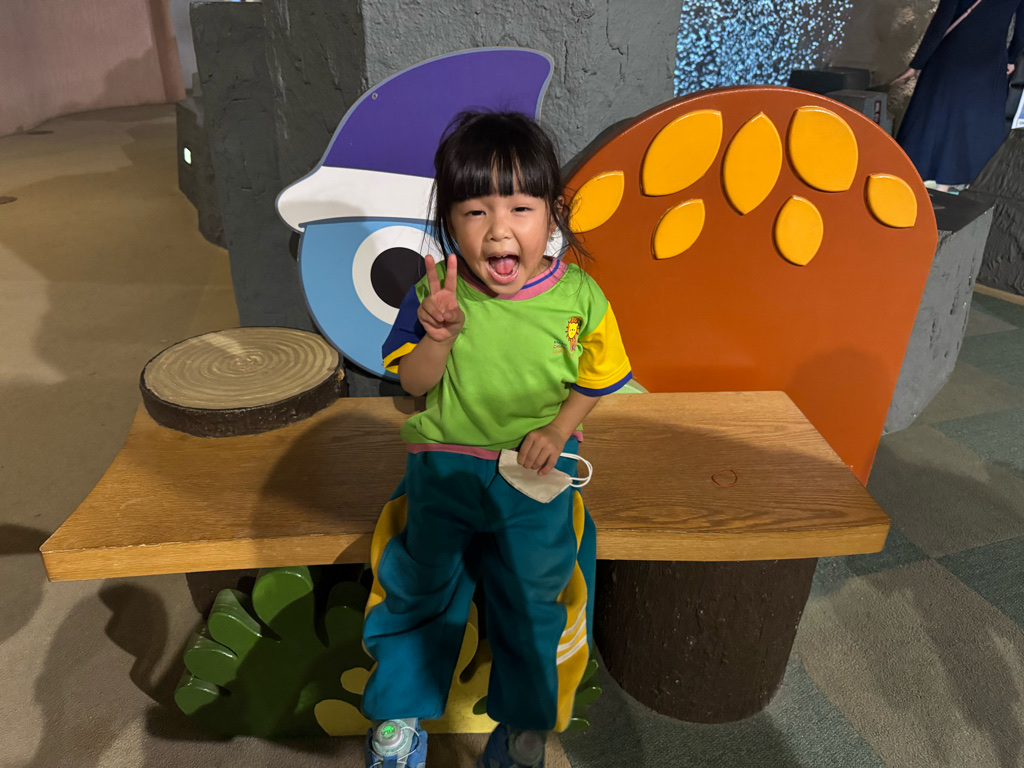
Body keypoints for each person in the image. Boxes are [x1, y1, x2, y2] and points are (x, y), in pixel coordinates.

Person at [360, 111, 633, 768]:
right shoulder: (435, 294)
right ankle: (398, 719)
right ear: (449, 223)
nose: (499, 229)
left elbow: (599, 376)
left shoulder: (580, 296)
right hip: (444, 467)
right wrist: (438, 337)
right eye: (476, 211)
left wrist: (558, 429)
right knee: (417, 583)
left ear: (552, 214)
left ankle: (523, 730)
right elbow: (413, 386)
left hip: (534, 473)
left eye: (520, 208)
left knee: (536, 596)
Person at [892, 0, 1024, 192]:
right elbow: (1021, 29)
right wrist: (1011, 59)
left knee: (935, 118)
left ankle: (917, 186)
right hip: (989, 61)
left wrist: (917, 64)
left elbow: (941, 21)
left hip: (951, 56)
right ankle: (951, 186)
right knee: (974, 124)